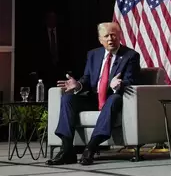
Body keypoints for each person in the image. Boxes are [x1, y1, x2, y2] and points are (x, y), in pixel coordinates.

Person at [46, 22, 141, 166]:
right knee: (68, 99)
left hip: (114, 98)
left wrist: (118, 84)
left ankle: (90, 148)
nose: (110, 39)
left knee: (114, 99)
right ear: (100, 39)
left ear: (119, 35)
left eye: (113, 35)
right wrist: (78, 85)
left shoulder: (130, 56)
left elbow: (131, 80)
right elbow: (87, 78)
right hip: (93, 97)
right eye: (106, 36)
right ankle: (67, 150)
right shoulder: (93, 55)